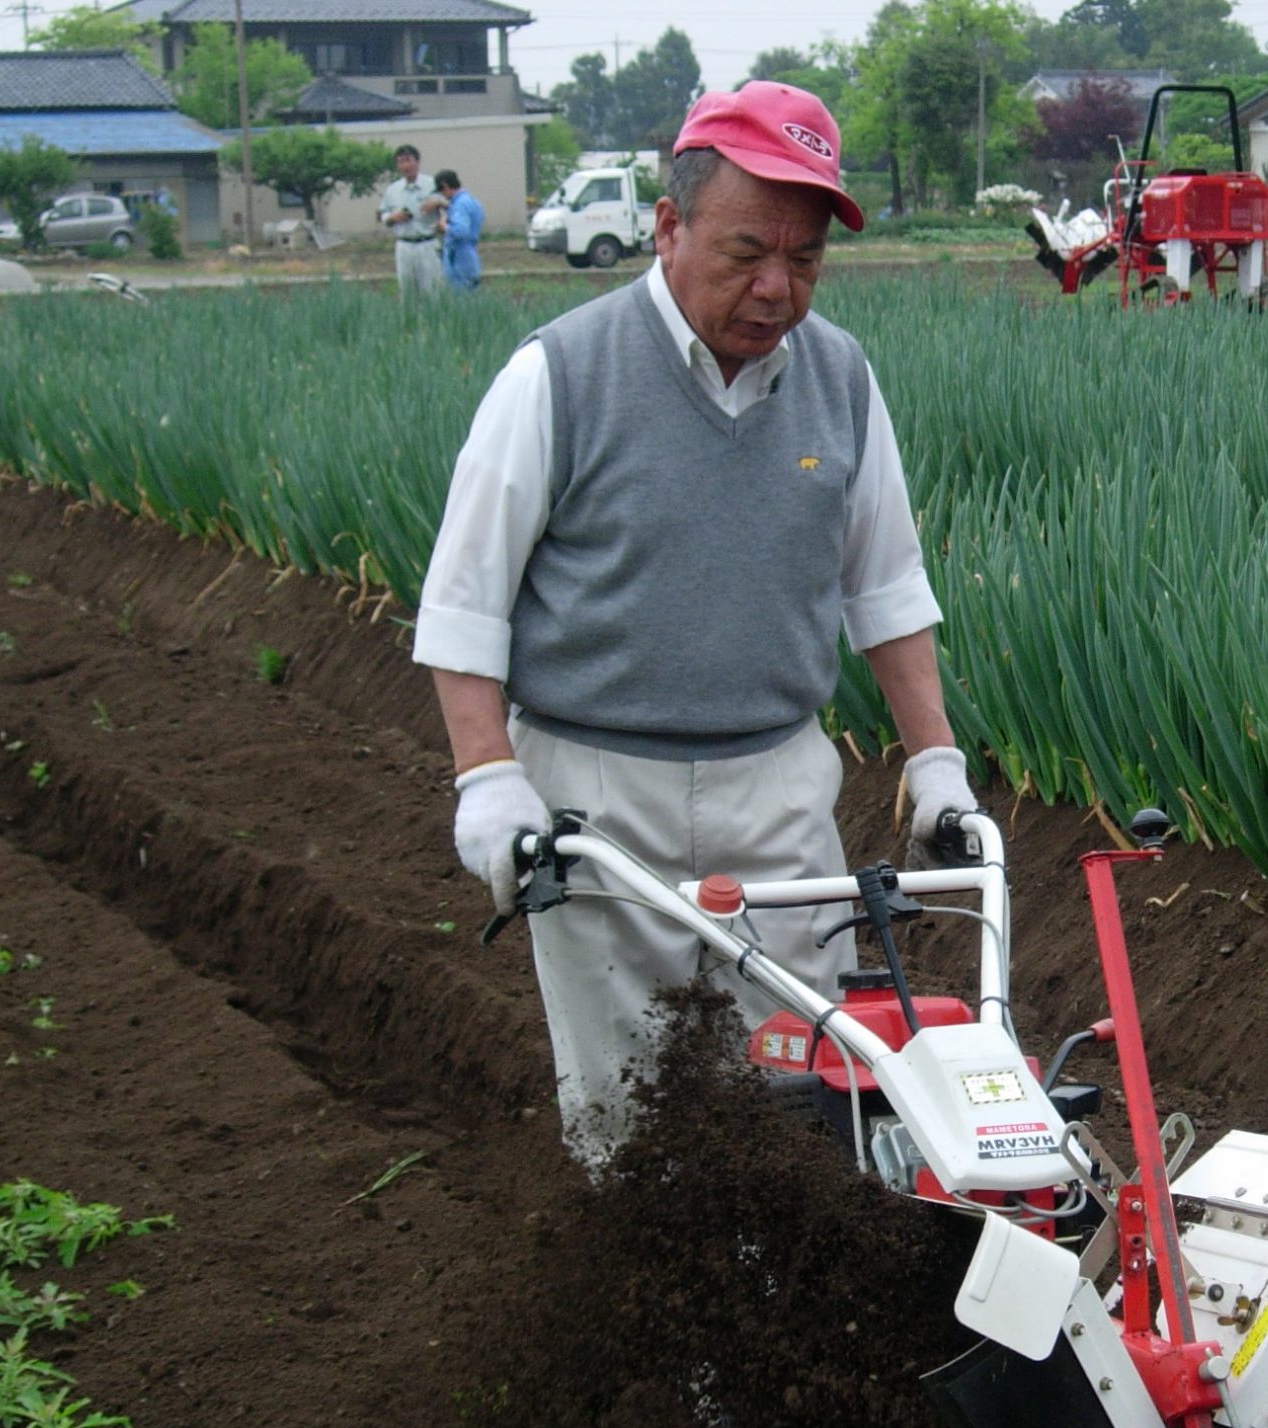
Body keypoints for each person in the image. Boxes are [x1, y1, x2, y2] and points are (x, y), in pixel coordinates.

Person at [414, 80, 981, 1159]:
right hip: (597, 794)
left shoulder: (841, 379)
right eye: (746, 252)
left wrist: (937, 761)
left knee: (802, 1079)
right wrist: (487, 777)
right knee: (626, 1095)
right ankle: (636, 1258)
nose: (776, 288)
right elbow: (465, 601)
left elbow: (885, 587)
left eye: (805, 260)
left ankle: (790, 1262)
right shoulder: (559, 374)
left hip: (776, 786)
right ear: (669, 227)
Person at [378, 144, 444, 295]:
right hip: (404, 245)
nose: (405, 166)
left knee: (433, 291)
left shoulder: (432, 184)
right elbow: (382, 213)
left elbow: (449, 205)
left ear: (417, 162)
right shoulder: (393, 189)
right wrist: (392, 217)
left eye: (408, 160)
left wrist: (437, 203)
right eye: (401, 162)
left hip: (427, 243)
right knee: (407, 291)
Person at [435, 169, 483, 291]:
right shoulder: (472, 200)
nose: (442, 195)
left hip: (459, 256)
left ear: (445, 186)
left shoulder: (459, 205)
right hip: (471, 252)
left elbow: (460, 231)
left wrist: (444, 226)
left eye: (441, 191)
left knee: (460, 294)